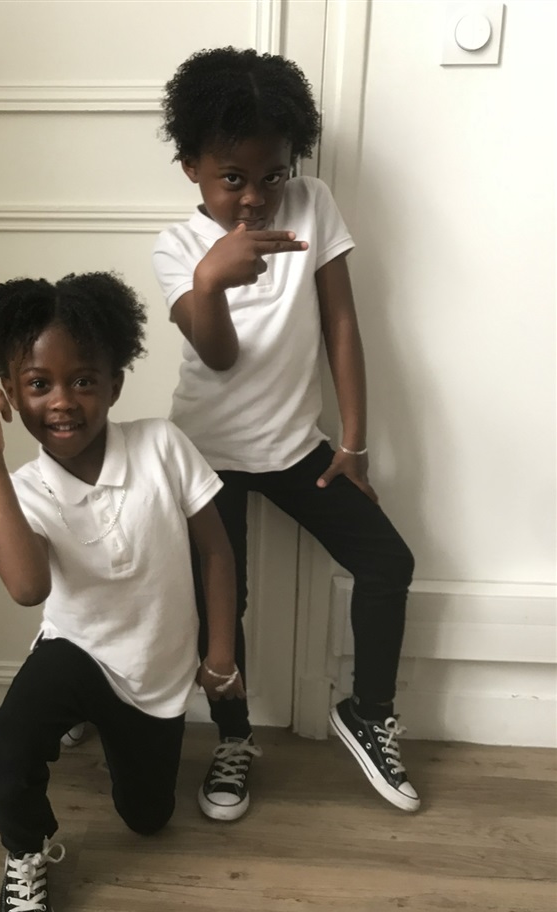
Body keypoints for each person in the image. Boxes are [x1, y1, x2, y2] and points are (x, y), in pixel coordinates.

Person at [0, 271, 242, 912]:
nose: (62, 400)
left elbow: (217, 553)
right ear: (11, 395)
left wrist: (221, 654)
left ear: (114, 383)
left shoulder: (163, 445)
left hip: (155, 673)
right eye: (38, 383)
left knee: (148, 819)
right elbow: (27, 588)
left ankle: (102, 723)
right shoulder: (24, 488)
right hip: (77, 649)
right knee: (3, 754)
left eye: (83, 380)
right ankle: (25, 858)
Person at [152, 46, 419, 824]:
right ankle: (234, 739)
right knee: (222, 608)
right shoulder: (177, 247)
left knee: (388, 562)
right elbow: (218, 354)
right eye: (233, 178)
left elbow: (342, 323)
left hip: (297, 446)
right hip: (205, 457)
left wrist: (354, 442)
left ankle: (368, 712)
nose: (257, 197)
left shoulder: (311, 203)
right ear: (192, 167)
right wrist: (212, 277)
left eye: (272, 175)